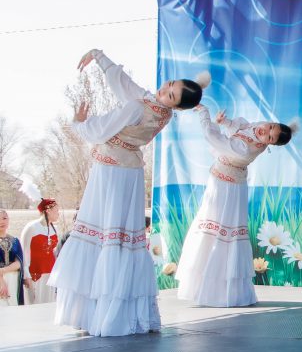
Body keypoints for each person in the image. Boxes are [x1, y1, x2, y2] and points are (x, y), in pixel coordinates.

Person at [49, 49, 208, 336]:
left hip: (110, 171)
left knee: (103, 232)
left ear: (177, 106)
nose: (165, 90)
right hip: (130, 172)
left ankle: (99, 314)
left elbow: (99, 131)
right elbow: (127, 86)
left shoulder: (138, 107)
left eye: (171, 94)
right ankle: (114, 313)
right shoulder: (162, 112)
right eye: (169, 85)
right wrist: (101, 58)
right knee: (120, 236)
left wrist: (79, 122)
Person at [175, 107, 295, 307]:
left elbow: (213, 137)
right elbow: (241, 127)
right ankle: (201, 287)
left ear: (269, 144)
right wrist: (226, 122)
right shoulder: (257, 128)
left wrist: (204, 113)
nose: (264, 131)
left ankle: (220, 292)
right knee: (211, 228)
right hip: (219, 179)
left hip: (228, 188)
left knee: (222, 232)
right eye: (270, 126)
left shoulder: (245, 149)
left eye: (270, 137)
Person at [20, 199, 61, 304]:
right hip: (35, 275)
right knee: (35, 305)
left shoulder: (55, 229)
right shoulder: (31, 227)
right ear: (48, 210)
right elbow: (24, 252)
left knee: (49, 304)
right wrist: (26, 275)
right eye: (56, 211)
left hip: (50, 274)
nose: (58, 213)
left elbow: (54, 253)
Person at [1, 209, 25, 306]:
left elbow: (19, 262)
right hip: (1, 279)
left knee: (14, 305)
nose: (1, 221)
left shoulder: (15, 241)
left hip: (13, 279)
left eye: (4, 218)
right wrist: (1, 282)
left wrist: (3, 270)